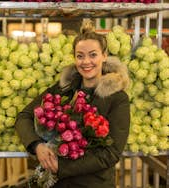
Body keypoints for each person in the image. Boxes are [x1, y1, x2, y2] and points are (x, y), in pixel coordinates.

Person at [15, 20, 130, 188]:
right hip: (57, 183)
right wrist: (37, 146)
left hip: (94, 184)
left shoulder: (117, 99)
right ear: (74, 58)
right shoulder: (63, 89)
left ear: (104, 56)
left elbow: (110, 153)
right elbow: (24, 116)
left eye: (93, 55)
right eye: (80, 56)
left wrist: (61, 166)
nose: (86, 62)